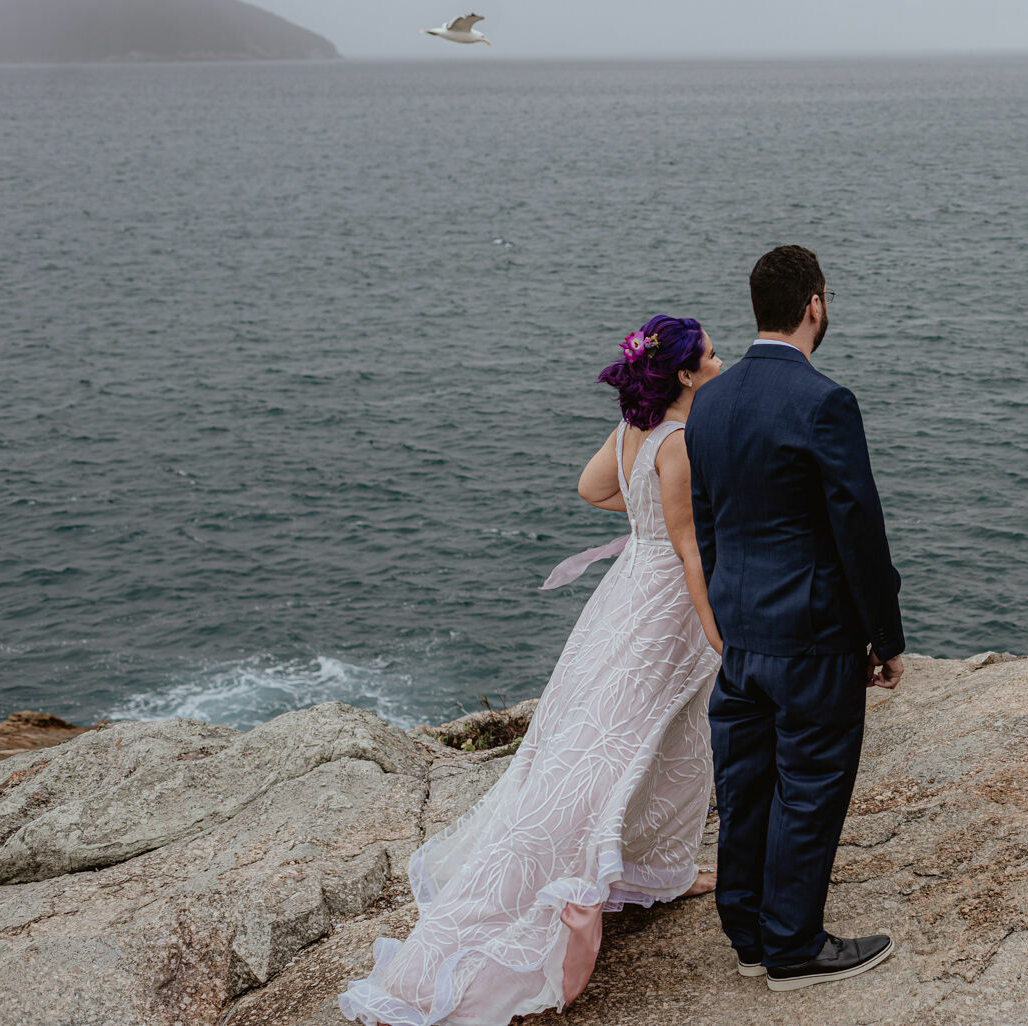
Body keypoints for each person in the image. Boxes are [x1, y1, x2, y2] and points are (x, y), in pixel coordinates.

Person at [339, 316, 726, 1026]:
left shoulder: (635, 431)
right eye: (709, 353)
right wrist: (717, 630)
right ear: (682, 373)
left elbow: (591, 490)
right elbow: (692, 551)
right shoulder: (678, 443)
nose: (719, 359)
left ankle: (656, 872)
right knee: (638, 744)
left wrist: (637, 512)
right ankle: (601, 874)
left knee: (653, 739)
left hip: (624, 596)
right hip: (666, 606)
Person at [685, 244, 906, 992]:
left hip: (742, 633)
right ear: (815, 305)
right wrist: (885, 635)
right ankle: (793, 947)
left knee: (745, 786)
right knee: (808, 787)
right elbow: (858, 531)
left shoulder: (710, 401)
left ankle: (747, 932)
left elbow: (706, 521)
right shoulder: (824, 403)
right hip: (812, 640)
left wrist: (726, 612)